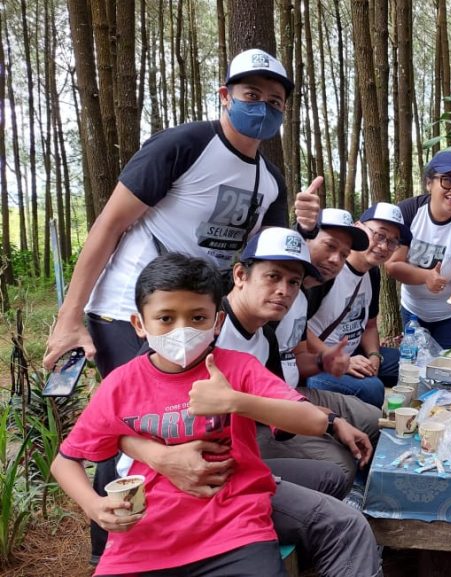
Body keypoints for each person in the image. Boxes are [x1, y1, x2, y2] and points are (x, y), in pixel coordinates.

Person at [41, 48, 322, 563]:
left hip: (197, 313)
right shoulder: (185, 145)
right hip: (131, 306)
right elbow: (109, 224)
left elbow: (266, 256)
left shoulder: (269, 180)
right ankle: (111, 545)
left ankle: (197, 540)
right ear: (225, 96)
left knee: (186, 419)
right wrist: (69, 317)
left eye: (274, 100)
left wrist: (306, 228)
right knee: (131, 414)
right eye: (250, 95)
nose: (262, 107)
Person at [51, 253, 329, 576]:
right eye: (166, 318)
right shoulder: (121, 385)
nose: (182, 330)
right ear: (140, 324)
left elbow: (315, 421)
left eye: (198, 318)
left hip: (234, 530)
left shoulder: (238, 369)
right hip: (144, 540)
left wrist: (235, 401)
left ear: (217, 322)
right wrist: (94, 505)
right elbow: (64, 462)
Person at [216, 227, 379, 495]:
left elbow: (282, 398)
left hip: (264, 418)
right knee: (338, 466)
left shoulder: (265, 336)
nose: (283, 291)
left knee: (371, 421)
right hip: (227, 442)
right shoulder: (210, 328)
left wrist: (334, 420)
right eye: (273, 277)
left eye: (293, 282)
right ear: (240, 275)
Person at [305, 203, 412, 407]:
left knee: (410, 365)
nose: (383, 246)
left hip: (353, 352)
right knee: (373, 388)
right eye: (379, 235)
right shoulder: (329, 270)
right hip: (318, 358)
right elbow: (299, 329)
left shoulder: (372, 273)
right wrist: (337, 359)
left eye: (392, 242)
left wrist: (374, 355)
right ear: (358, 227)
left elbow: (370, 326)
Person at [386, 151, 451, 349]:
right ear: (429, 183)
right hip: (413, 310)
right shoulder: (408, 212)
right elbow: (393, 265)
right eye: (447, 180)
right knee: (415, 365)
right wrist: (427, 277)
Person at [274, 208, 370, 389]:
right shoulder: (273, 293)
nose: (335, 260)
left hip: (290, 391)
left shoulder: (303, 294)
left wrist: (324, 360)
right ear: (306, 239)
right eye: (330, 246)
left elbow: (297, 355)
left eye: (344, 255)